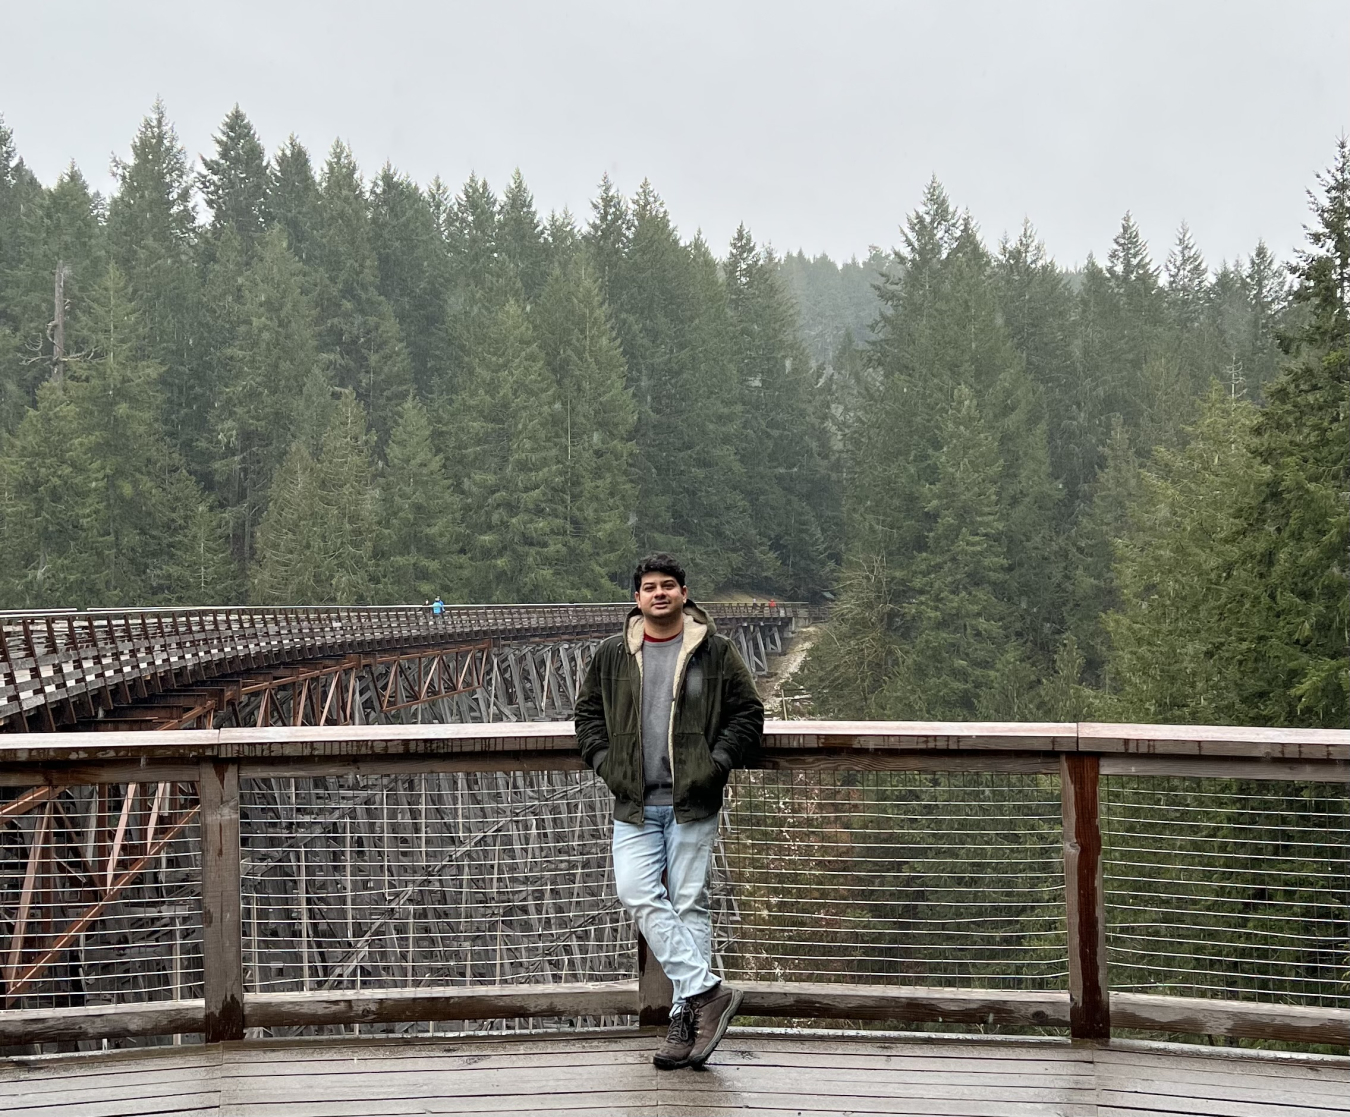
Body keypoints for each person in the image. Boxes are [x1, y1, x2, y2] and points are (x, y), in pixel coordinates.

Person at [575, 553, 763, 1070]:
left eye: (668, 586)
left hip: (692, 800)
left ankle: (686, 1024)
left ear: (684, 594)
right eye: (649, 587)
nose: (659, 593)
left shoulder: (715, 651)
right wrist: (605, 763)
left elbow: (748, 712)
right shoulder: (613, 654)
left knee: (688, 905)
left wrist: (717, 763)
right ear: (636, 599)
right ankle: (706, 992)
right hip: (634, 801)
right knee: (636, 891)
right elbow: (587, 714)